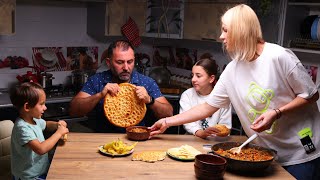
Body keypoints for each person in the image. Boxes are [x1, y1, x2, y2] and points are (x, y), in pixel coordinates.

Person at [150, 4, 320, 180]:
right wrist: (167, 121)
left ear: (241, 31)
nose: (221, 36)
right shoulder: (233, 69)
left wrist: (276, 113)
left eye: (225, 30)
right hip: (264, 155)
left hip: (299, 152)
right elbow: (207, 107)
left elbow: (311, 94)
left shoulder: (279, 57)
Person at [69, 39, 173, 133]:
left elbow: (169, 114)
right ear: (109, 63)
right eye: (120, 62)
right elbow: (73, 110)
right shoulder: (97, 80)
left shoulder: (146, 82)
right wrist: (99, 95)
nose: (126, 67)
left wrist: (150, 100)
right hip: (103, 140)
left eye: (130, 62)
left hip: (136, 138)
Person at [10, 82, 69, 180]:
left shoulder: (34, 119)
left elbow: (46, 125)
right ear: (27, 107)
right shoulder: (22, 128)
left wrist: (57, 124)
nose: (45, 107)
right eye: (41, 104)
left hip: (40, 170)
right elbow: (40, 149)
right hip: (29, 176)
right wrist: (59, 133)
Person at [180, 58, 232, 139]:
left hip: (214, 142)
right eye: (192, 75)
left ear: (211, 78)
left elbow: (225, 126)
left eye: (198, 76)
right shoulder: (187, 95)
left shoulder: (222, 97)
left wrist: (215, 134)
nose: (193, 79)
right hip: (191, 140)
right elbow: (187, 122)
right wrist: (200, 133)